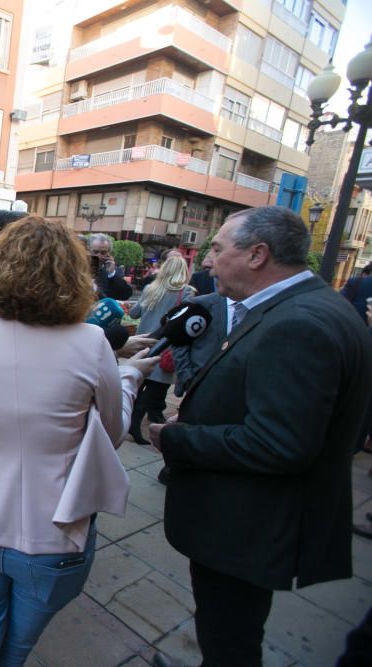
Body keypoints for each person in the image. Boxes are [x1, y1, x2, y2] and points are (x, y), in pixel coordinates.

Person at [0, 216, 156, 666]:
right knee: (16, 649)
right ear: (72, 275)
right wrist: (130, 377)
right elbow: (113, 434)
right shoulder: (91, 343)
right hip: (56, 533)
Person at [149, 206, 372, 667]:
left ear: (257, 255)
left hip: (247, 526)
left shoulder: (298, 324)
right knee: (226, 628)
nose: (208, 261)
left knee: (231, 637)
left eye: (217, 249)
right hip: (253, 521)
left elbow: (278, 444)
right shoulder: (309, 306)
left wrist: (175, 438)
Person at [127, 255, 195, 446]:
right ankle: (135, 424)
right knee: (154, 390)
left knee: (137, 386)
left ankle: (126, 420)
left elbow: (134, 314)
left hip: (142, 344)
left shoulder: (150, 289)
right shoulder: (186, 292)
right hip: (165, 347)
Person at [89, 233, 133, 300]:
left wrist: (111, 274)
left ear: (108, 254)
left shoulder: (113, 272)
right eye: (95, 252)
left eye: (103, 253)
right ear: (88, 251)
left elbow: (126, 294)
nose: (99, 256)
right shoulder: (78, 269)